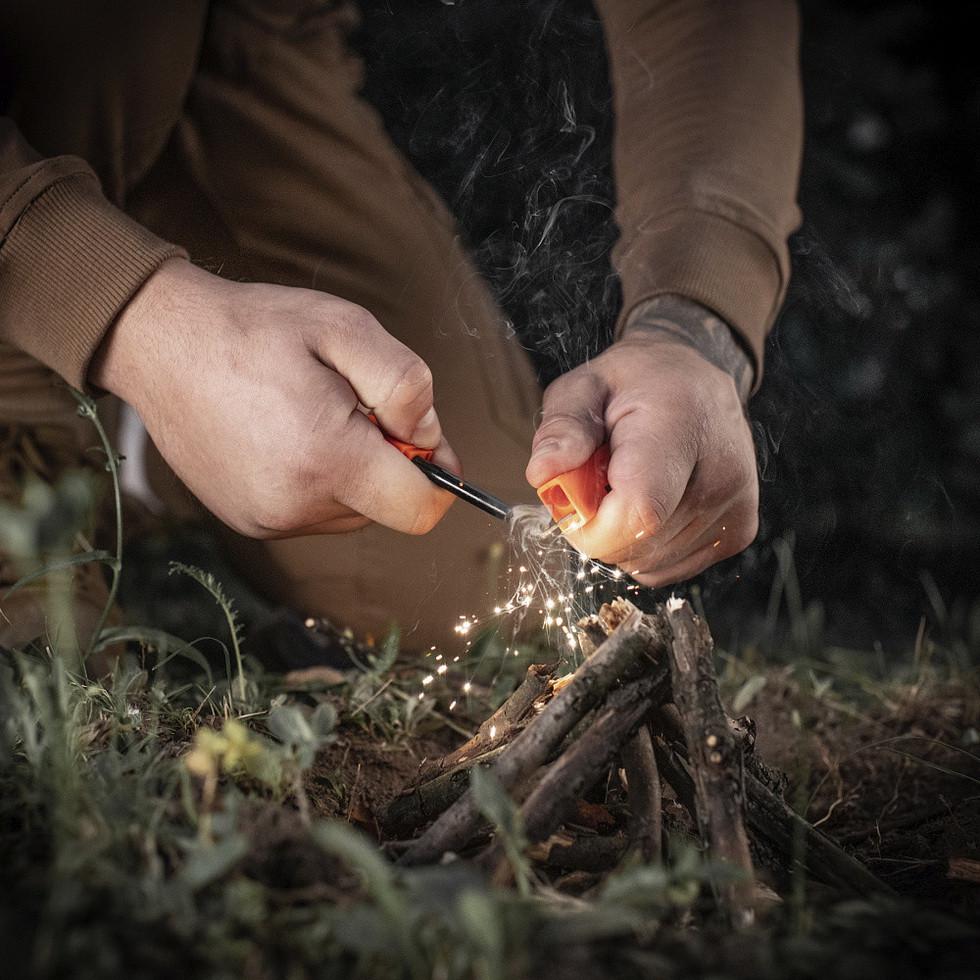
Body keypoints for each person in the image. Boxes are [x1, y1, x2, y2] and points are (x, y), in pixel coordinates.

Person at [0, 1, 802, 653]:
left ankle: (136, 440)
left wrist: (689, 327)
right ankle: (26, 420)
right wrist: (145, 326)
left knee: (462, 569)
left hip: (247, 40)